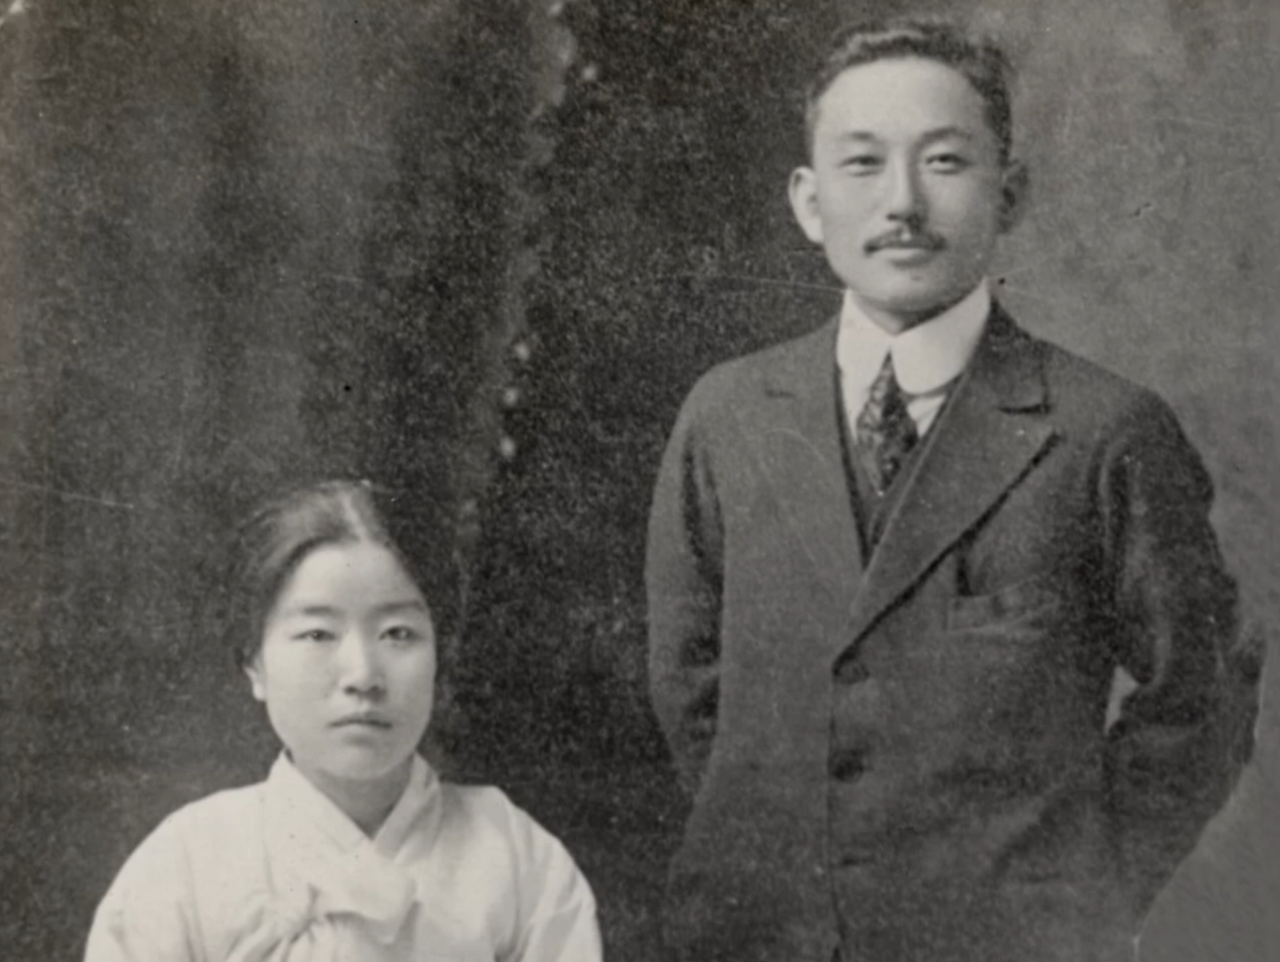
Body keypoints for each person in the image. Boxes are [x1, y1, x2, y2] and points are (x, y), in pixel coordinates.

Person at [646, 18, 1254, 962]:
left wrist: (1080, 894)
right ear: (808, 202)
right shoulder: (727, 418)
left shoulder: (1105, 433)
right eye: (862, 163)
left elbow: (1201, 700)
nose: (902, 203)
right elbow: (693, 691)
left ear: (1009, 194)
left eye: (944, 161)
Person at [86, 480, 602, 962]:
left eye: (398, 633)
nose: (363, 675)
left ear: (439, 654)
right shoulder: (184, 864)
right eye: (317, 634)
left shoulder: (517, 859)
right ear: (255, 663)